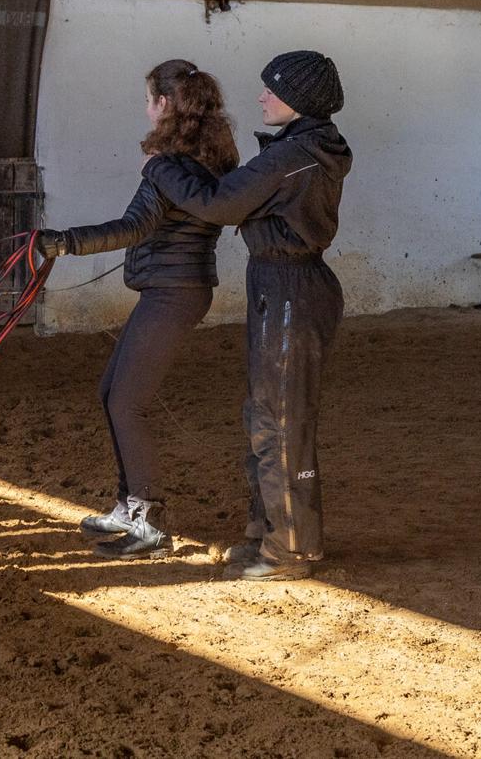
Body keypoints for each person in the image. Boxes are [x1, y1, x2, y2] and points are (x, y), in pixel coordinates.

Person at [141, 50, 350, 581]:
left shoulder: (294, 155)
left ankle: (292, 547)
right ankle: (268, 533)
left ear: (298, 100)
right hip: (280, 283)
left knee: (280, 419)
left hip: (289, 289)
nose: (261, 97)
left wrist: (162, 169)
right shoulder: (300, 150)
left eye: (271, 89)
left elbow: (220, 204)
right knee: (267, 415)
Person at [36, 59, 239, 560]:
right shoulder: (201, 160)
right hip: (173, 289)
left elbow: (133, 227)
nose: (145, 108)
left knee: (128, 402)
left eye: (149, 99)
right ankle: (129, 505)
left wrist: (63, 243)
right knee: (113, 392)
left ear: (164, 104)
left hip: (174, 292)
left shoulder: (166, 167)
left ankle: (147, 518)